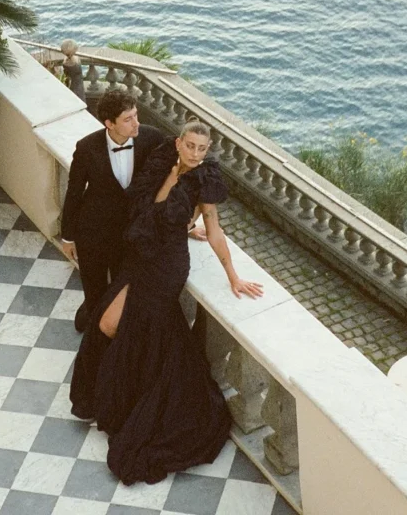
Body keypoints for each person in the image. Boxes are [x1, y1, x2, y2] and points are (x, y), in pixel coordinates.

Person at [69, 120, 264, 485]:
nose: (195, 153)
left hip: (166, 265)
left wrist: (233, 275)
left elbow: (215, 229)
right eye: (190, 145)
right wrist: (185, 217)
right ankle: (121, 401)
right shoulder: (161, 160)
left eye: (202, 149)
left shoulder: (204, 180)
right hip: (139, 255)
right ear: (179, 143)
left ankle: (145, 408)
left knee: (125, 327)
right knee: (109, 325)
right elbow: (150, 208)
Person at [60, 89, 164, 332]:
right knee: (93, 287)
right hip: (92, 231)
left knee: (120, 290)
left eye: (136, 115)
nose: (136, 123)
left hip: (128, 233)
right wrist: (68, 237)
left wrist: (189, 223)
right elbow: (74, 192)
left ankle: (114, 333)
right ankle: (93, 323)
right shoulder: (86, 148)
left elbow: (174, 177)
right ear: (110, 124)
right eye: (128, 119)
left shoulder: (152, 138)